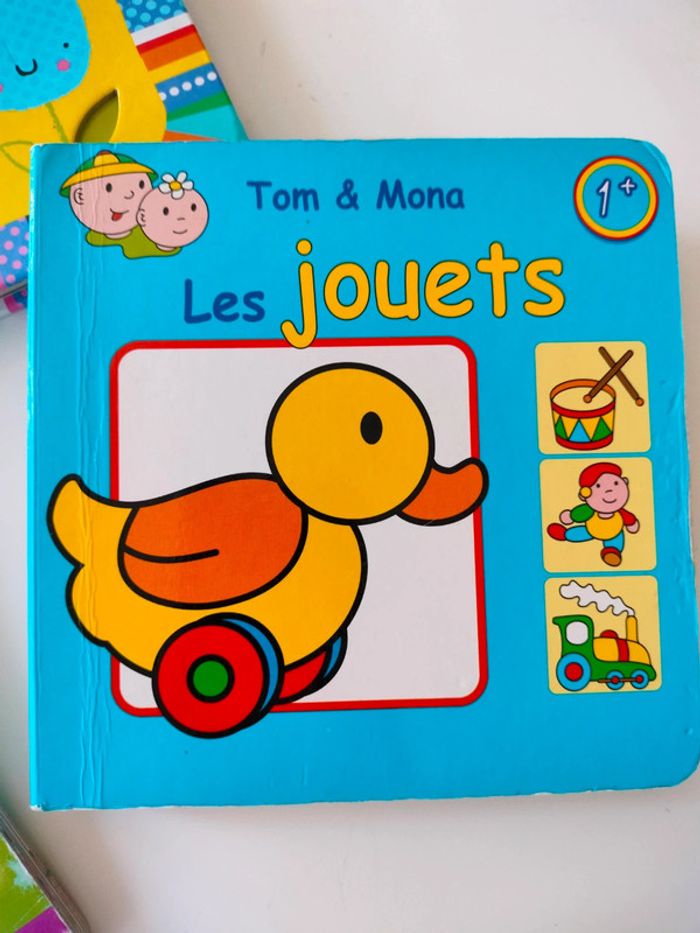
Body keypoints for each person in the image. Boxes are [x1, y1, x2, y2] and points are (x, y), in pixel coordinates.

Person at [547, 462, 639, 567]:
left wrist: (632, 523)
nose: (609, 491)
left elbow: (629, 519)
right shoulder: (589, 510)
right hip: (591, 530)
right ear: (586, 493)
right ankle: (564, 534)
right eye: (598, 486)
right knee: (578, 533)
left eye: (616, 483)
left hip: (614, 532)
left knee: (615, 543)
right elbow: (579, 514)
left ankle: (612, 552)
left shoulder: (621, 512)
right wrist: (571, 516)